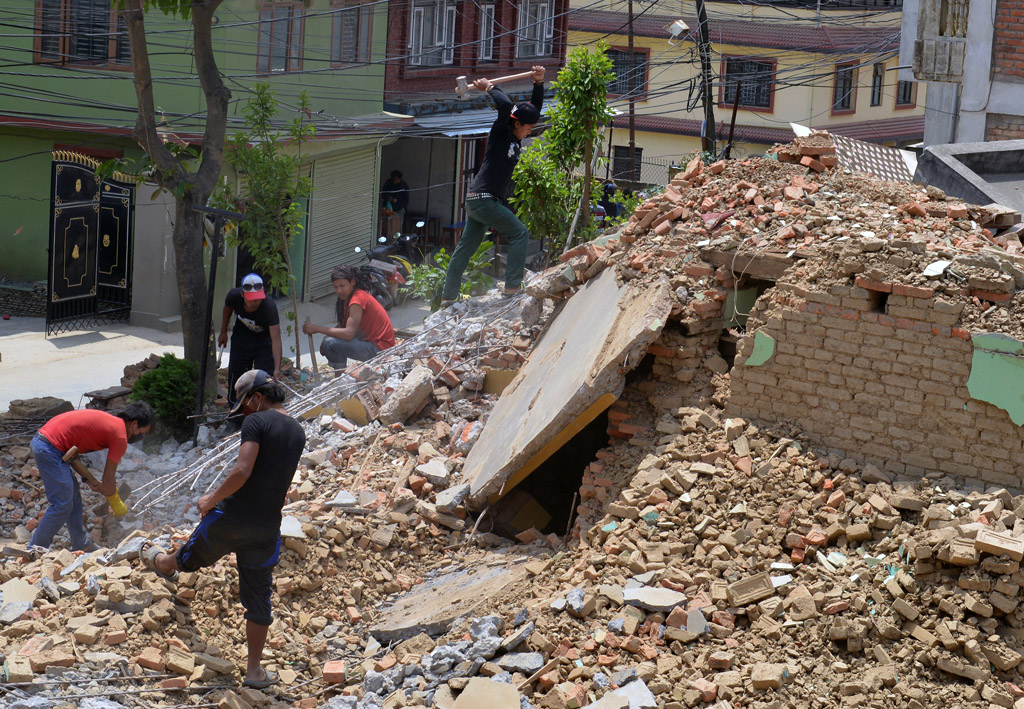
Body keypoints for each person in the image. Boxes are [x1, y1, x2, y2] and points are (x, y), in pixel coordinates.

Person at [140, 369, 306, 690]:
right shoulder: (298, 432)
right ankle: (254, 671)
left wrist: (210, 498)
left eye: (245, 404)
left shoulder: (256, 421)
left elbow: (243, 470)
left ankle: (162, 563)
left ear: (258, 397)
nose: (244, 411)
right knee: (259, 599)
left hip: (232, 520)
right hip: (267, 527)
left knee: (189, 555)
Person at [441, 66, 546, 307]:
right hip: (484, 199)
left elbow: (534, 110)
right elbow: (506, 107)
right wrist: (490, 87)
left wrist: (538, 84)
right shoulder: (501, 132)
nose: (530, 132)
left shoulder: (518, 133)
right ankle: (512, 288)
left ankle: (449, 296)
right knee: (519, 233)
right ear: (516, 123)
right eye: (528, 128)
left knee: (466, 248)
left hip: (479, 200)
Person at [30, 402, 155, 551]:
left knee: (74, 497)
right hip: (49, 447)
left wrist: (87, 478)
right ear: (134, 424)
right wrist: (116, 503)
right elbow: (108, 477)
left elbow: (73, 448)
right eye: (143, 432)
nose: (142, 437)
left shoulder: (112, 423)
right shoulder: (120, 436)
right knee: (62, 503)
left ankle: (81, 544)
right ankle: (34, 548)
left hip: (47, 442)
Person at [301, 265, 395, 374]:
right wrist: (325, 338)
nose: (339, 290)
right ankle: (340, 376)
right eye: (335, 287)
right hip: (372, 344)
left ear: (353, 282)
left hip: (380, 350)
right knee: (328, 341)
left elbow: (348, 333)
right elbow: (342, 326)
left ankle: (339, 377)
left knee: (330, 343)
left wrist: (317, 328)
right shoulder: (349, 297)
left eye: (342, 285)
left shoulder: (357, 299)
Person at [219, 273, 282, 412]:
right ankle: (235, 413)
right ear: (242, 294)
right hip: (241, 339)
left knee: (265, 378)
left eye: (258, 299)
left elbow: (276, 340)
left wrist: (277, 368)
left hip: (264, 343)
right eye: (251, 299)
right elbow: (227, 308)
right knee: (236, 374)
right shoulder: (233, 296)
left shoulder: (269, 307)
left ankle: (264, 412)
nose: (255, 303)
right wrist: (223, 331)